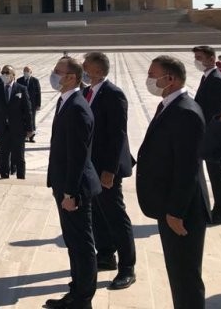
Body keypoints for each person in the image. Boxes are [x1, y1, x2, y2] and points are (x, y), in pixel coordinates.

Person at [136, 55, 210, 309]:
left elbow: (188, 168)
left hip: (182, 211)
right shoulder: (169, 104)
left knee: (185, 277)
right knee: (178, 274)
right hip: (169, 205)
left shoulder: (186, 112)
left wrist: (176, 211)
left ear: (170, 78)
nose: (149, 79)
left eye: (152, 74)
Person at [44, 57, 101, 309]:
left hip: (74, 189)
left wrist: (70, 192)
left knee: (81, 243)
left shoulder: (77, 107)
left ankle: (83, 298)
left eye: (58, 71)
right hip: (65, 185)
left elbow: (78, 156)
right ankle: (76, 289)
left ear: (71, 77)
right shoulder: (65, 102)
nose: (54, 75)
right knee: (74, 241)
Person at [82, 52, 136, 290]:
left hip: (106, 168)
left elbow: (118, 135)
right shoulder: (87, 92)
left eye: (86, 66)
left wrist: (110, 170)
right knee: (96, 213)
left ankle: (127, 268)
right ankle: (105, 255)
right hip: (90, 166)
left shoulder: (114, 94)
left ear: (97, 69)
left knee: (115, 215)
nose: (83, 69)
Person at [192, 45, 221, 224]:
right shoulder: (208, 78)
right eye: (196, 57)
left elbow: (215, 110)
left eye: (200, 57)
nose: (197, 61)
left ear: (212, 59)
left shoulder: (217, 80)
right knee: (215, 172)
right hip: (209, 133)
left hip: (214, 134)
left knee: (217, 173)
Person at [0, 65, 32, 179]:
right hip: (2, 128)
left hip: (18, 128)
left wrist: (30, 128)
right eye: (3, 72)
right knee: (3, 155)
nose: (4, 74)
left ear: (13, 75)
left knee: (19, 156)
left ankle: (20, 177)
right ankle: (4, 176)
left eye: (7, 72)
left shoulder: (21, 89)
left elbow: (27, 110)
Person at [17, 65, 42, 142]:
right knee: (23, 119)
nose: (26, 73)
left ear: (31, 72)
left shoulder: (35, 81)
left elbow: (38, 93)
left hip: (32, 104)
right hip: (22, 104)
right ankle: (24, 135)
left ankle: (31, 136)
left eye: (27, 71)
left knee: (32, 119)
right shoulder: (19, 80)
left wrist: (38, 104)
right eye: (25, 71)